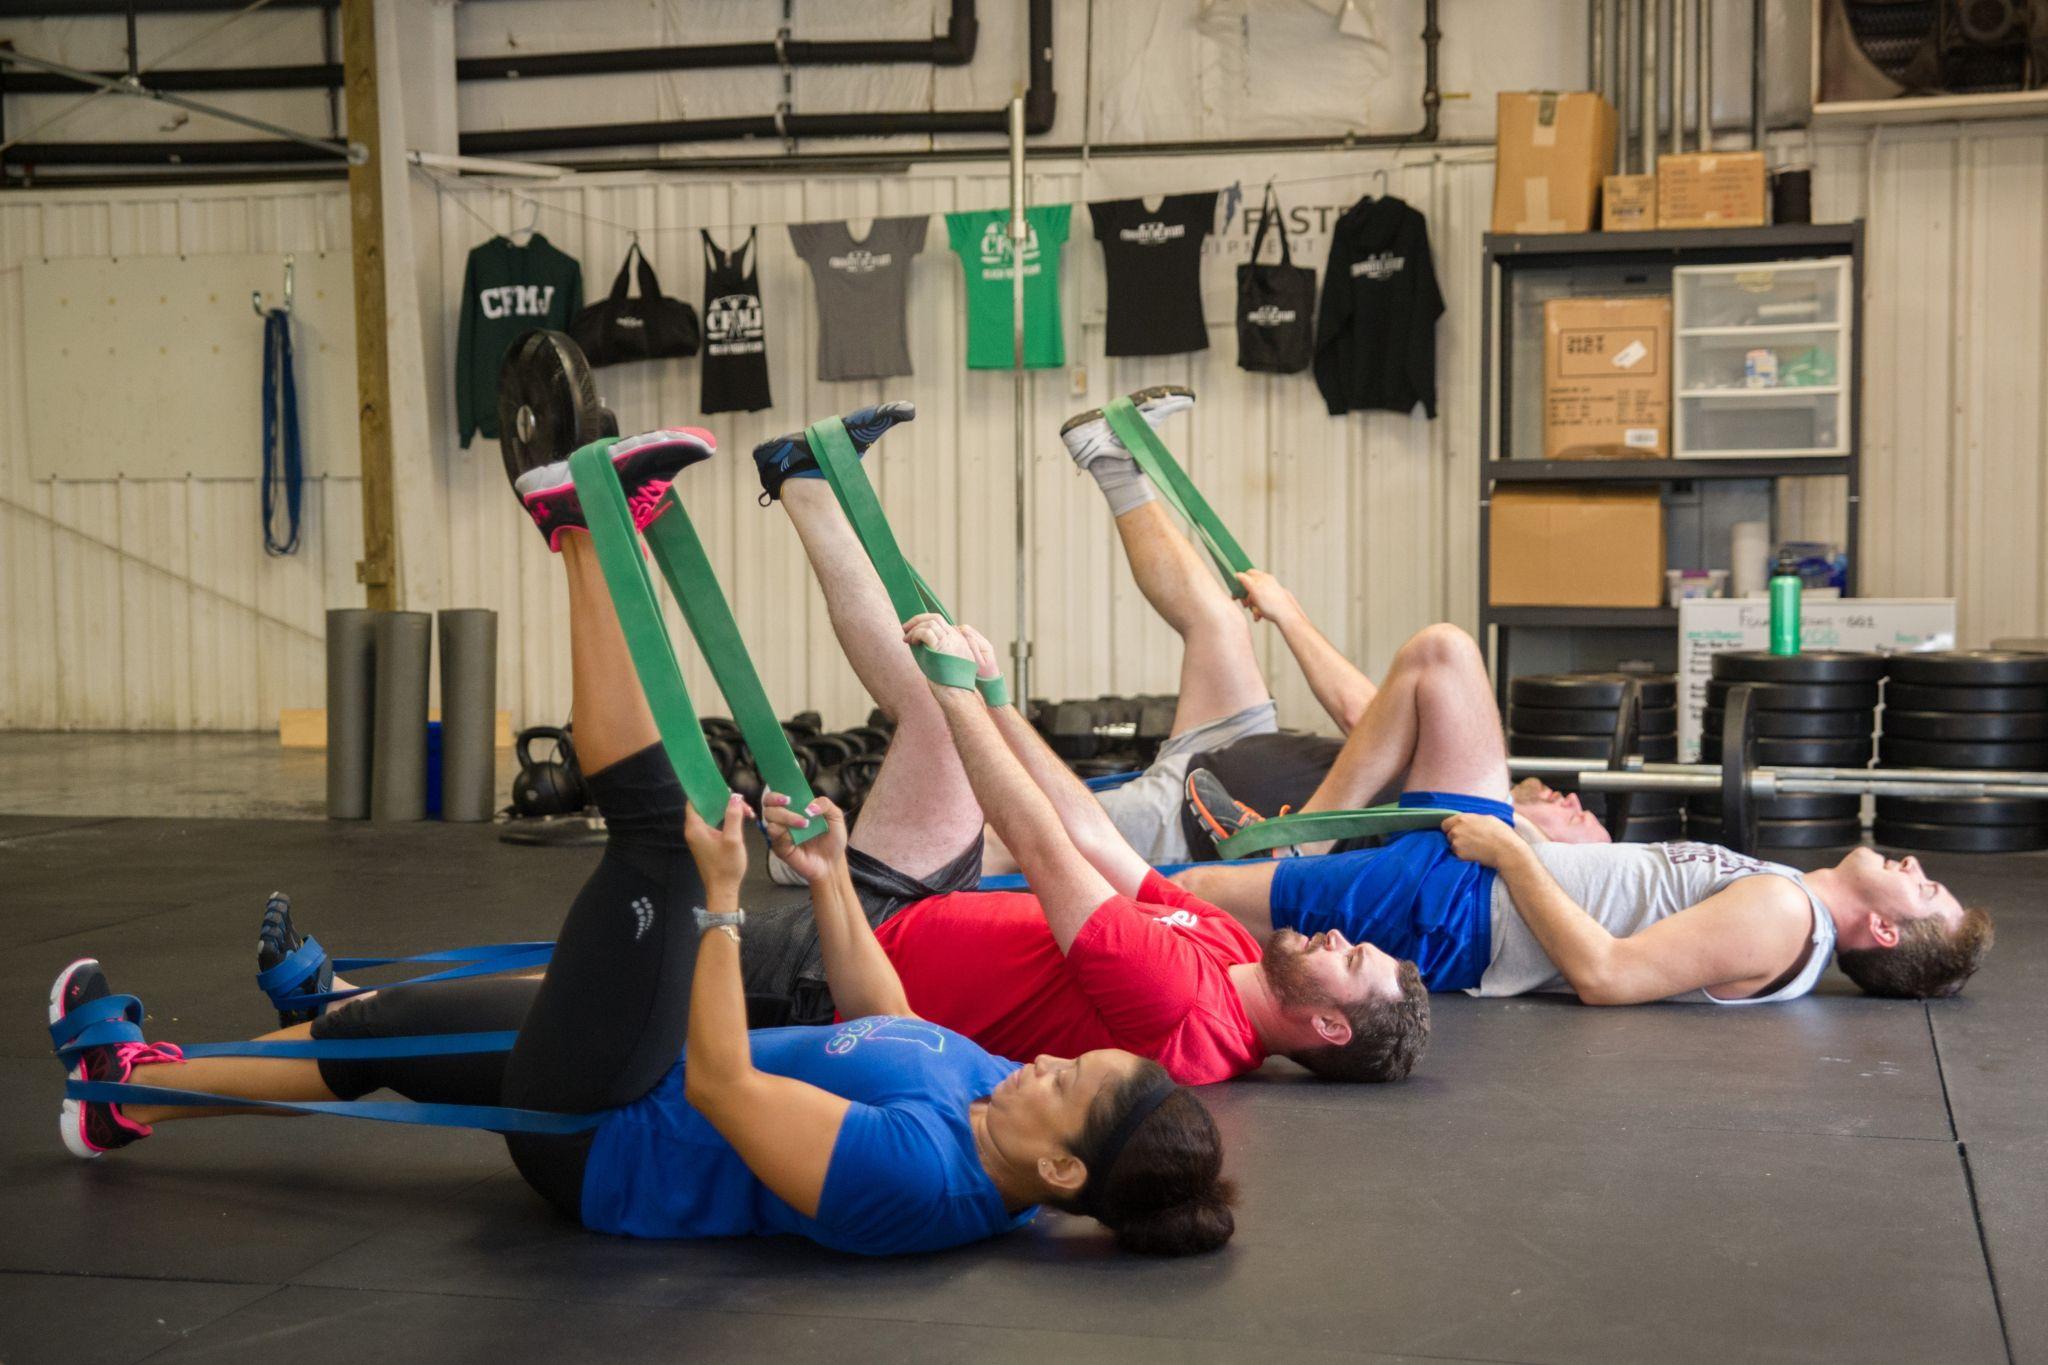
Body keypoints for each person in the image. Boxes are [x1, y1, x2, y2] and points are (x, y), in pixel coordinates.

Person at [46, 427, 1235, 1258]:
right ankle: (126, 1096)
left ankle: (581, 528)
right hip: (650, 1069)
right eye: (1067, 1062)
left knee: (665, 844)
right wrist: (828, 884)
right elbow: (892, 1023)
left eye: (1064, 1081)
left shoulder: (922, 1181)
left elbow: (723, 1086)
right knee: (383, 1031)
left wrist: (720, 906)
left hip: (609, 1139)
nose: (1043, 1062)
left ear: (1063, 1170)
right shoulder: (996, 1112)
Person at [262, 405, 1428, 1087]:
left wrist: (970, 704)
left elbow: (1041, 850)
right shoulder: (1222, 942)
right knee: (931, 707)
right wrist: (992, 701)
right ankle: (805, 483)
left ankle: (340, 1016)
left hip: (850, 970)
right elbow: (1084, 830)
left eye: (1351, 963)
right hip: (915, 904)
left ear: (1325, 1027)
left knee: (588, 994)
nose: (1337, 934)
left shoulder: (1187, 1018)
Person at [1171, 620, 1996, 1006]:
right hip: (1487, 865)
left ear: (1883, 931)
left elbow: (1610, 975)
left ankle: (1078, 897)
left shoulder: (1787, 917)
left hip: (1463, 907)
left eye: (1924, 890)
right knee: (1441, 655)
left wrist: (1513, 853)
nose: (1915, 865)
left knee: (1188, 891)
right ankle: (1299, 844)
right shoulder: (1788, 896)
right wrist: (1524, 833)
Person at [1011, 384, 1609, 871]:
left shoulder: (1480, 813)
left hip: (1190, 817)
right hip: (1241, 744)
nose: (1574, 799)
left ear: (1550, 852)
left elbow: (1360, 712)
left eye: (1579, 819)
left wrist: (1288, 614)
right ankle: (1110, 459)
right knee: (1218, 622)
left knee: (1013, 832)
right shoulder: (1481, 787)